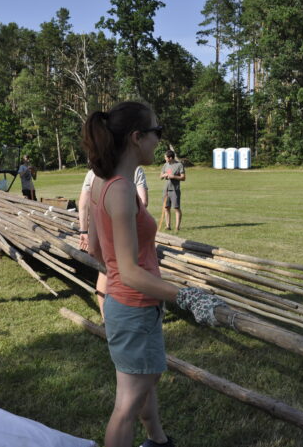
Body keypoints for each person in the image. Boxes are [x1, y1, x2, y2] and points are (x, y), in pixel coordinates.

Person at [81, 101, 226, 447]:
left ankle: (157, 440)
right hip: (134, 306)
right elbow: (130, 272)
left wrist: (120, 272)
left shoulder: (102, 181)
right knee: (127, 404)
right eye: (156, 132)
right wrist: (187, 296)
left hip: (124, 304)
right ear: (136, 137)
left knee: (143, 383)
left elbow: (96, 249)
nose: (159, 140)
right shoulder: (121, 188)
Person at [78, 166, 148, 318]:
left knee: (105, 271)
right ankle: (132, 312)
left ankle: (106, 317)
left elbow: (83, 205)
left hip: (102, 231)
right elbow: (143, 202)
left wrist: (83, 231)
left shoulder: (94, 172)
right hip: (128, 230)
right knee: (132, 270)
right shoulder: (134, 169)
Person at [159, 150, 185, 232]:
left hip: (175, 190)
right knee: (166, 208)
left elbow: (183, 177)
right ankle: (168, 226)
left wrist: (173, 176)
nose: (165, 159)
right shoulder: (165, 165)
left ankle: (177, 227)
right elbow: (160, 176)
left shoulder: (179, 165)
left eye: (166, 157)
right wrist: (165, 175)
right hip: (166, 190)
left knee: (176, 208)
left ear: (170, 158)